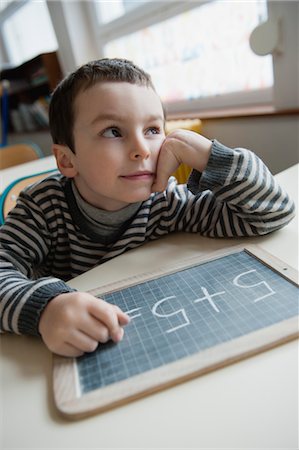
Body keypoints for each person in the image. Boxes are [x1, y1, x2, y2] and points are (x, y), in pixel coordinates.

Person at [0, 58, 295, 357]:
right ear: (66, 160)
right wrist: (45, 309)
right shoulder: (42, 207)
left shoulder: (165, 202)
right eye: (113, 131)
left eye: (153, 129)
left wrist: (212, 157)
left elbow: (272, 212)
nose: (141, 148)